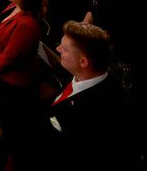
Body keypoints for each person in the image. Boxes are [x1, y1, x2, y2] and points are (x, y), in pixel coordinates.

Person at [43, 21, 133, 168]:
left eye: (64, 49)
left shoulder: (99, 112)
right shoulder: (82, 73)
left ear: (83, 61)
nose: (58, 49)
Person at [0, 0, 42, 166]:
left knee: (4, 129)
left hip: (11, 86)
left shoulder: (27, 24)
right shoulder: (12, 9)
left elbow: (10, 57)